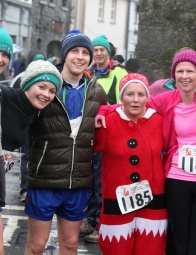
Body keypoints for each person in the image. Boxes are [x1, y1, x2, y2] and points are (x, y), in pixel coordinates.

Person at [97, 49, 196, 255]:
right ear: (174, 75)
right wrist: (102, 111)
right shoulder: (166, 99)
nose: (184, 76)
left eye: (190, 71)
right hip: (176, 178)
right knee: (180, 244)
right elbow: (129, 104)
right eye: (179, 71)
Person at [23, 29, 107, 255]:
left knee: (69, 244)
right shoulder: (47, 87)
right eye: (74, 51)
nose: (80, 57)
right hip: (45, 179)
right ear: (64, 55)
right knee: (37, 246)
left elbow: (109, 121)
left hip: (78, 182)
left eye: (84, 52)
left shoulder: (97, 91)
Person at [0, 26, 63, 255]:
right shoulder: (5, 96)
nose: (46, 93)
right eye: (41, 86)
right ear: (27, 85)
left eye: (52, 90)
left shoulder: (36, 111)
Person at [94, 73, 168, 255]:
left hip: (153, 199)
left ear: (147, 98)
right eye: (130, 94)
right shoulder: (106, 122)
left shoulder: (159, 121)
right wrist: (102, 110)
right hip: (117, 200)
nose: (135, 100)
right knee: (116, 250)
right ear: (121, 97)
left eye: (141, 95)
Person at [80, 34, 127, 243]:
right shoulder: (87, 73)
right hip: (87, 135)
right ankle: (90, 219)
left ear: (109, 52)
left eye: (102, 50)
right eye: (95, 50)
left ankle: (100, 224)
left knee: (101, 181)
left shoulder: (119, 73)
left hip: (109, 136)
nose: (98, 53)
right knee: (89, 179)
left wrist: (103, 113)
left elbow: (125, 103)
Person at [9, 50, 47, 202]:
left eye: (41, 62)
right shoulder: (19, 79)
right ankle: (25, 187)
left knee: (40, 156)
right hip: (24, 125)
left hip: (42, 127)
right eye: (35, 61)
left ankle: (38, 187)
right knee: (25, 156)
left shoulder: (49, 79)